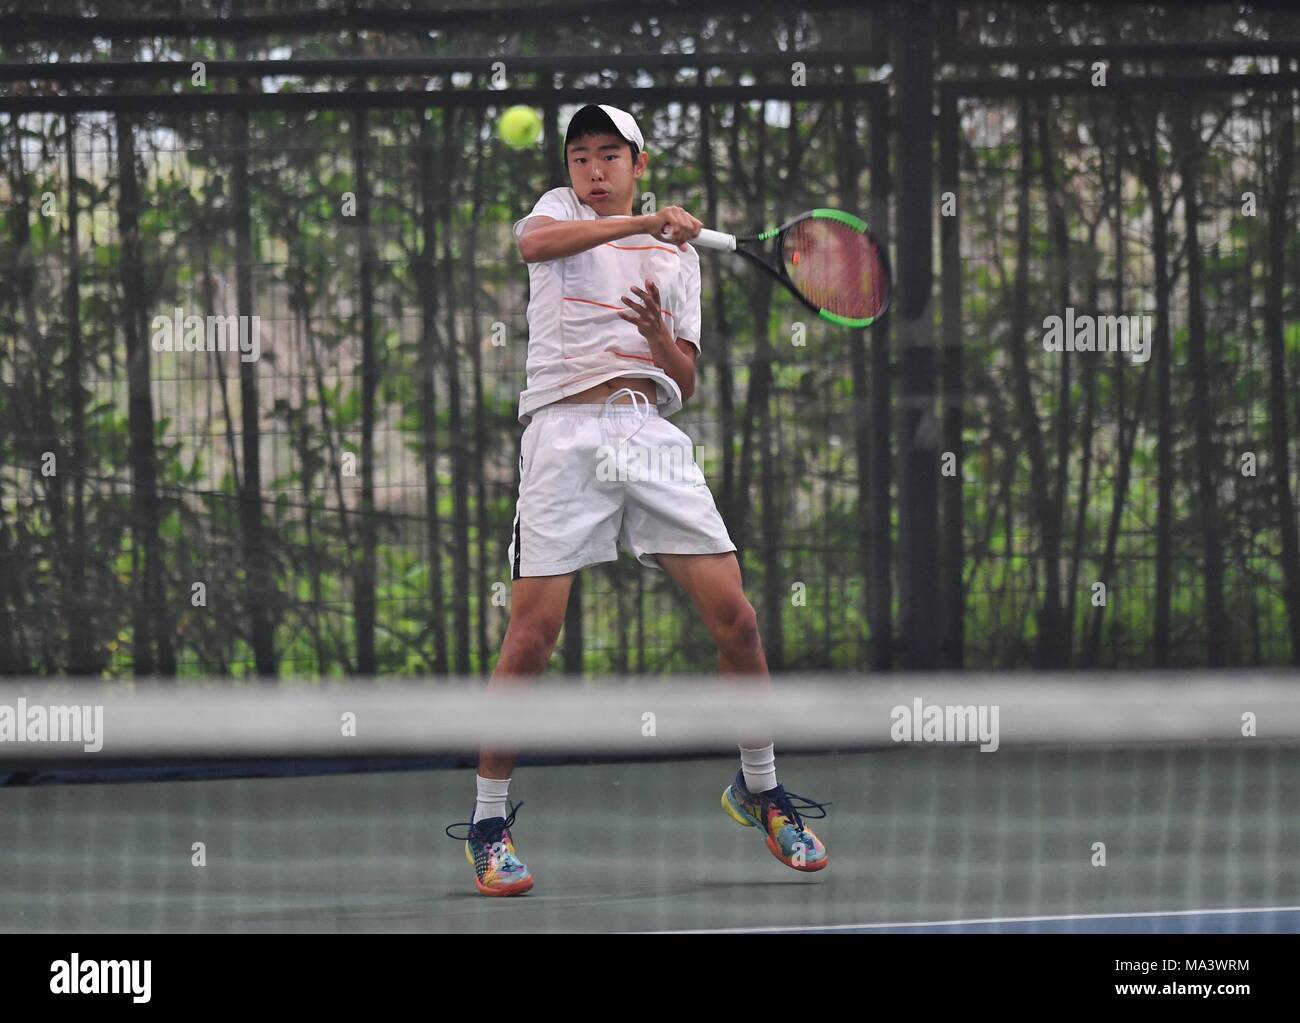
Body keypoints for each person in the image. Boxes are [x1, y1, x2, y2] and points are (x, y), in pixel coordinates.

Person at [445, 103, 828, 896]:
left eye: (608, 154)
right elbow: (532, 245)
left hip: (648, 433)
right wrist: (644, 223)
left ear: (637, 162)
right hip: (563, 434)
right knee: (531, 638)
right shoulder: (559, 213)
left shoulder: (677, 258)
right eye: (580, 155)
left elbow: (684, 377)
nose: (592, 168)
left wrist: (658, 338)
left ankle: (761, 789)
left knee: (740, 620)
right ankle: (487, 822)